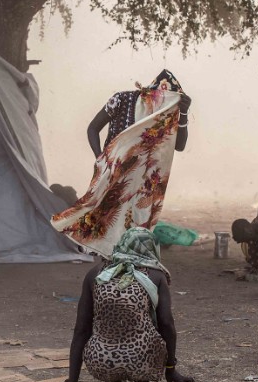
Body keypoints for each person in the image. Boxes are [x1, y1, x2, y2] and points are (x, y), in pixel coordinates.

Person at [40, 227, 196, 382]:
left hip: (100, 359)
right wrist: (170, 370)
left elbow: (81, 329)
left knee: (108, 331)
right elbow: (166, 324)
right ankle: (142, 381)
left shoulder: (96, 273)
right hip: (143, 357)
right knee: (148, 325)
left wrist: (72, 381)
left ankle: (112, 381)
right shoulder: (156, 275)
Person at [52, 70, 191, 254]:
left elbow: (179, 146)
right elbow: (93, 128)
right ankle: (106, 260)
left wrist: (184, 114)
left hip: (141, 183)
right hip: (112, 173)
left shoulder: (166, 116)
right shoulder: (122, 100)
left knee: (134, 224)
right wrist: (101, 158)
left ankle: (125, 260)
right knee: (101, 216)